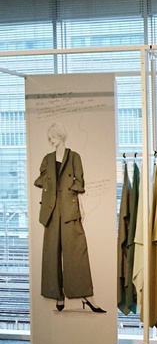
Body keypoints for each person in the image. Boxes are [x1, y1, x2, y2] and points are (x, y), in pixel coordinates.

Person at [34, 123, 105, 313]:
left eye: (53, 137)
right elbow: (41, 180)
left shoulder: (74, 157)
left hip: (69, 208)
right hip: (51, 209)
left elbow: (79, 182)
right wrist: (49, 181)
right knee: (51, 253)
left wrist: (76, 201)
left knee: (76, 252)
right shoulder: (47, 159)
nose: (51, 140)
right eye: (49, 138)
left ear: (61, 136)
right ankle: (57, 295)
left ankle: (86, 295)